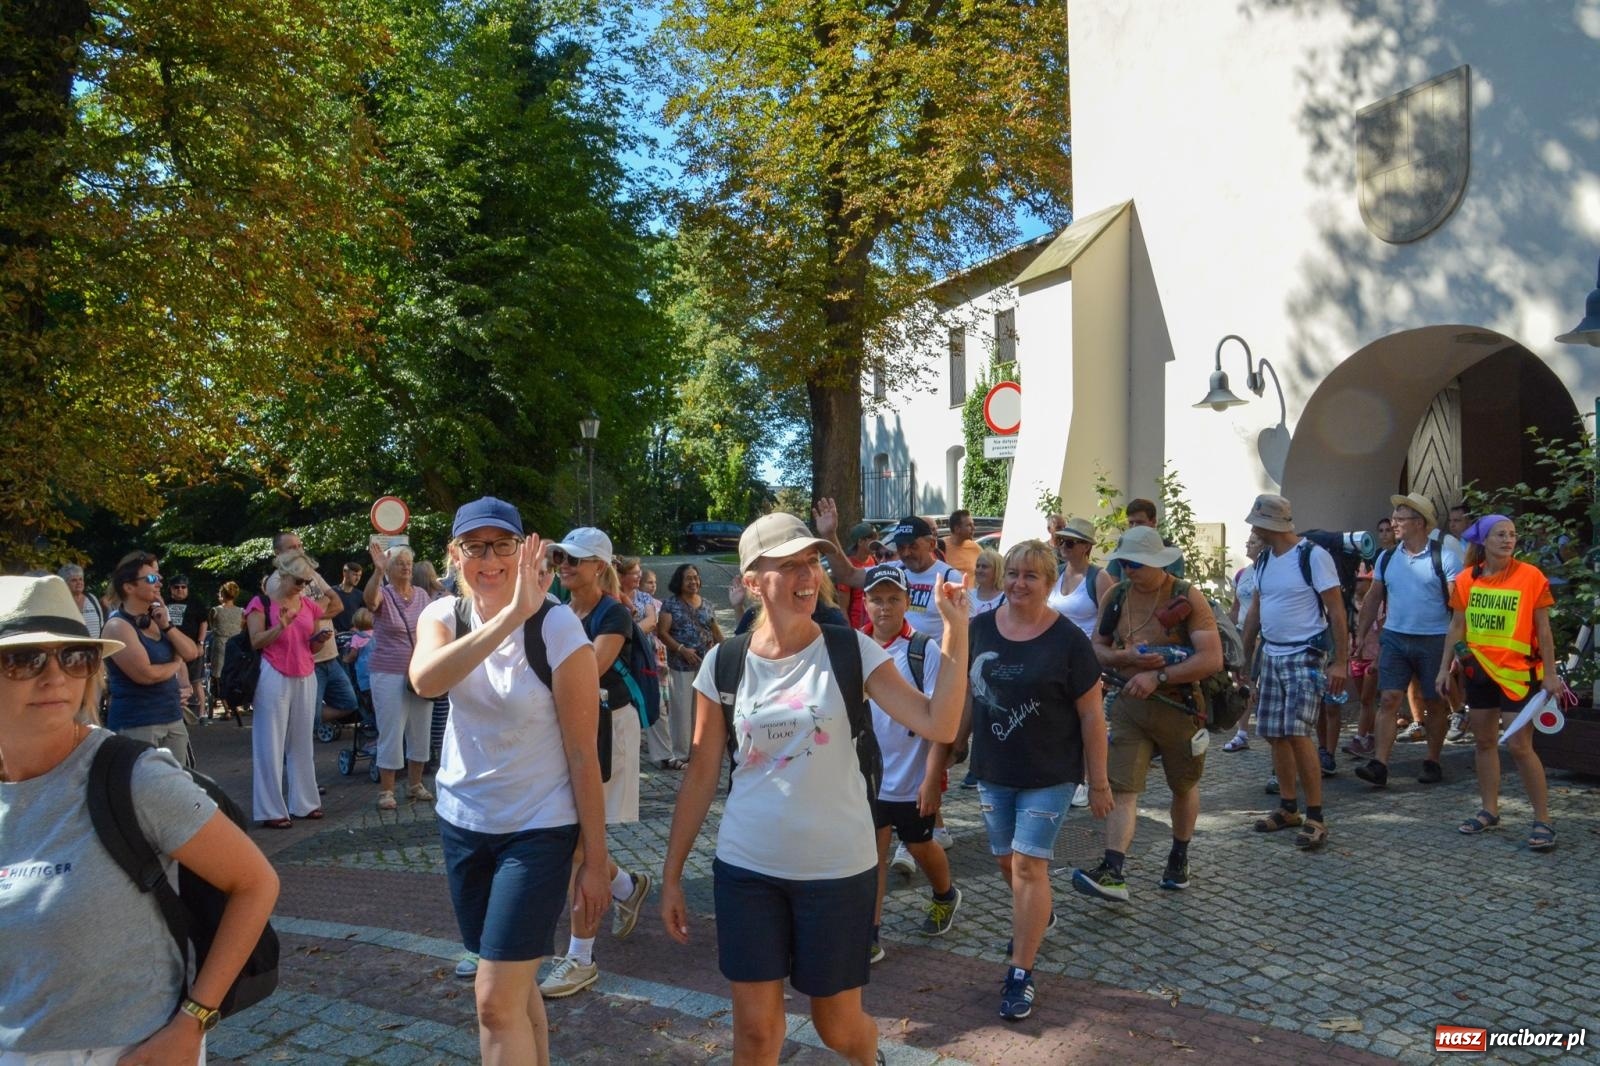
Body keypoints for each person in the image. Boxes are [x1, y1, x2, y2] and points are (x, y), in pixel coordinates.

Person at [660, 513, 967, 1063]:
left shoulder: (851, 650)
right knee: (755, 1032)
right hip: (748, 867)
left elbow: (939, 724)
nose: (808, 575)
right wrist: (672, 874)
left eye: (812, 561)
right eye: (790, 564)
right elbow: (702, 771)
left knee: (837, 1026)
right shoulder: (723, 664)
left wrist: (955, 631)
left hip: (836, 871)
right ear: (753, 579)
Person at [0, 575, 279, 1064]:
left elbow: (255, 883)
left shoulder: (132, 777)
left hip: (126, 1050)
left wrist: (195, 1021)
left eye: (73, 657)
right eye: (24, 659)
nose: (54, 677)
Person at [407, 497, 610, 1063]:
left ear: (525, 551)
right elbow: (425, 680)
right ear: (455, 554)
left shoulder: (558, 625)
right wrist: (508, 616)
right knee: (514, 994)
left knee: (494, 1001)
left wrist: (596, 861)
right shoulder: (442, 616)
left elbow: (581, 753)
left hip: (539, 830)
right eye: (475, 547)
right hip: (464, 823)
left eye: (502, 545)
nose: (489, 560)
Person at [964, 539, 1110, 1020]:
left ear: (1049, 584)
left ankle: (1020, 973)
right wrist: (946, 747)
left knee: (1029, 867)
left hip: (1051, 772)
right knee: (1008, 865)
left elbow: (1092, 715)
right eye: (1012, 574)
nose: (1019, 583)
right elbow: (967, 697)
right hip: (994, 768)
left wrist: (1100, 782)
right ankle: (1039, 913)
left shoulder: (1068, 640)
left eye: (1031, 576)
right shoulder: (979, 630)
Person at [1074, 527, 1223, 901]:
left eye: (1136, 563)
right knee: (1123, 787)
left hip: (1180, 707)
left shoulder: (1186, 596)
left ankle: (1179, 855)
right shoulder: (1117, 594)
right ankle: (1113, 870)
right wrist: (1125, 659)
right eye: (1124, 562)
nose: (1128, 569)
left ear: (1157, 563)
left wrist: (1158, 675)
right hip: (1130, 706)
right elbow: (1097, 648)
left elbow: (1212, 658)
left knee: (1183, 785)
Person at [538, 528, 654, 1000]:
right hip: (575, 731)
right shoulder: (561, 612)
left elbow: (587, 672)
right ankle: (628, 886)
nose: (565, 565)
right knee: (575, 842)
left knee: (582, 847)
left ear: (599, 567)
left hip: (608, 733)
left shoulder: (615, 614)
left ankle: (581, 957)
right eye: (562, 557)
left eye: (576, 560)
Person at [1437, 515, 1563, 850]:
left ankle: (1543, 821)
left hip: (1519, 674)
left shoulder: (1531, 576)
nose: (1508, 540)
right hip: (1480, 673)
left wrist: (1550, 674)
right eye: (1500, 535)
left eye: (1512, 534)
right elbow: (1456, 627)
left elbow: (1544, 630)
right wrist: (1442, 669)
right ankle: (1489, 810)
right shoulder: (1466, 580)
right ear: (1483, 542)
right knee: (1484, 742)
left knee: (1520, 746)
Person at [861, 565, 963, 961]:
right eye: (876, 599)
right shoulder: (855, 647)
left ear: (907, 601)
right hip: (869, 777)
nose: (884, 608)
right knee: (873, 853)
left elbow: (943, 720)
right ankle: (870, 932)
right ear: (865, 603)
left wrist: (932, 776)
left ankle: (945, 894)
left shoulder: (923, 650)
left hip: (912, 776)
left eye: (892, 599)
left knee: (921, 845)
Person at [1240, 494, 1347, 851]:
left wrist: (1341, 660)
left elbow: (1336, 610)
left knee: (1299, 734)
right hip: (1271, 653)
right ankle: (1289, 807)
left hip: (1305, 653)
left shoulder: (1313, 556)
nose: (1253, 528)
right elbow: (1256, 609)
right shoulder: (1265, 560)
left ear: (1271, 524)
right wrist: (1245, 657)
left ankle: (1316, 815)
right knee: (1274, 733)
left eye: (1256, 522)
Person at [1352, 493, 1463, 788]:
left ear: (1419, 523)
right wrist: (1361, 635)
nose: (1394, 523)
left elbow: (1459, 606)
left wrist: (1455, 649)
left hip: (1435, 639)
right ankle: (1380, 764)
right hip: (1396, 639)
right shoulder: (1387, 557)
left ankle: (1433, 760)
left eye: (1400, 518)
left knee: (1435, 702)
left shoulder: (1446, 557)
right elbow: (1374, 596)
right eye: (1394, 518)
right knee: (1388, 699)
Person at [246, 550, 326, 827]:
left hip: (305, 672)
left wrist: (320, 639)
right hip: (273, 672)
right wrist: (280, 627)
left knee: (302, 742)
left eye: (305, 582)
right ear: (283, 575)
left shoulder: (309, 605)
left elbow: (312, 645)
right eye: (298, 581)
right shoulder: (260, 603)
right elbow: (256, 641)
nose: (302, 587)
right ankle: (270, 810)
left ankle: (304, 803)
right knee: (270, 742)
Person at [102, 551, 201, 766]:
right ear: (128, 587)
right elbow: (145, 674)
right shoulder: (118, 626)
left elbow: (191, 652)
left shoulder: (157, 619)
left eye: (159, 577)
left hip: (172, 718)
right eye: (151, 578)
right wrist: (176, 664)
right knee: (143, 795)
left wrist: (167, 624)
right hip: (138, 724)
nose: (158, 583)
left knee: (178, 792)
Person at [364, 542, 439, 810]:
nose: (406, 567)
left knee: (421, 728)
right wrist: (377, 571)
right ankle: (387, 790)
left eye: (409, 563)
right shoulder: (383, 593)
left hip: (420, 671)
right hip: (388, 672)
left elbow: (434, 626)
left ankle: (415, 784)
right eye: (400, 563)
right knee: (392, 730)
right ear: (390, 569)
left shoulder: (421, 594)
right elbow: (370, 601)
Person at [657, 563, 723, 765]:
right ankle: (681, 753)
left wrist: (725, 650)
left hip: (705, 665)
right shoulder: (670, 604)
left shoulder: (707, 604)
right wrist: (681, 650)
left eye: (695, 577)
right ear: (679, 581)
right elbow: (662, 632)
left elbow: (715, 631)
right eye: (688, 578)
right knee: (681, 710)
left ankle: (698, 750)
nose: (693, 581)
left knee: (701, 709)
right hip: (680, 664)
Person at [1222, 531, 1264, 753]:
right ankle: (1242, 733)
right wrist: (1226, 631)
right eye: (1247, 541)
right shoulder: (1242, 574)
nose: (1248, 545)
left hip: (1263, 635)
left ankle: (1272, 736)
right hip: (1242, 633)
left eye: (1254, 542)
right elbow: (1235, 608)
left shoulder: (1268, 572)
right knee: (1243, 682)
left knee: (1260, 685)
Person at [1046, 517, 1114, 638]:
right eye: (1061, 540)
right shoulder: (1055, 573)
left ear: (1086, 547)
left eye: (1070, 543)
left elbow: (1108, 623)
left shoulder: (1099, 577)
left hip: (1083, 650)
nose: (1063, 546)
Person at [1105, 498, 1185, 580]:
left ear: (1153, 522)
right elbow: (1112, 581)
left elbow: (1172, 588)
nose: (1134, 527)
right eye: (1131, 523)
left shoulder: (1170, 552)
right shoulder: (1123, 549)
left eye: (1140, 522)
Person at [166, 574, 209, 722]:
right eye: (176, 587)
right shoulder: (164, 603)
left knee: (196, 680)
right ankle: (179, 712)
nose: (180, 590)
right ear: (171, 589)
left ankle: (202, 713)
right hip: (171, 648)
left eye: (183, 587)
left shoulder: (195, 602)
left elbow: (204, 623)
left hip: (192, 647)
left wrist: (200, 643)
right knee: (173, 681)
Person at [209, 581, 245, 720]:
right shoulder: (241, 611)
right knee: (235, 674)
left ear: (222, 594)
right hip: (235, 646)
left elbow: (212, 626)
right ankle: (236, 704)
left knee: (218, 677)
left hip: (220, 645)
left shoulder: (215, 610)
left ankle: (226, 708)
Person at [58, 563, 106, 639]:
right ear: (65, 583)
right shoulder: (60, 602)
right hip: (71, 648)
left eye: (81, 579)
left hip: (94, 647)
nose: (79, 583)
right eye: (74, 580)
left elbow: (101, 624)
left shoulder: (92, 598)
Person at [944, 509, 981, 580]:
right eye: (969, 525)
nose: (974, 528)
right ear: (957, 529)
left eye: (973, 524)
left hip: (971, 591)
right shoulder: (941, 546)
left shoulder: (976, 548)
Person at [969, 547, 1006, 616]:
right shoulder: (969, 596)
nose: (979, 570)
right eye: (977, 566)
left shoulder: (1006, 599)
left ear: (997, 570)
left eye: (984, 567)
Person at [332, 561, 366, 631]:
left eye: (359, 575)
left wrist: (358, 627)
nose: (358, 578)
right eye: (355, 575)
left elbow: (365, 616)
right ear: (345, 573)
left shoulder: (360, 595)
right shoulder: (332, 592)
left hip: (354, 636)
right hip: (334, 636)